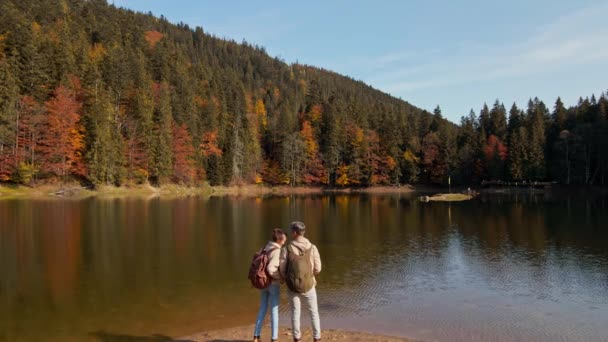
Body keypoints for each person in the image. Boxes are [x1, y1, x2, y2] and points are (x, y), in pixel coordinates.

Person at [280, 221, 322, 342]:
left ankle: (297, 338)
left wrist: (286, 279)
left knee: (295, 313)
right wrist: (310, 275)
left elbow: (282, 269)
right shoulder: (312, 247)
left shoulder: (287, 249)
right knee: (314, 312)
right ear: (303, 232)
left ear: (294, 233)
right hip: (309, 285)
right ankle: (317, 338)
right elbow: (318, 268)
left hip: (292, 286)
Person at [253, 229, 287, 342]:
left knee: (262, 308)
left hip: (262, 282)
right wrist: (280, 278)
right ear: (280, 239)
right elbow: (271, 268)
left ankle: (256, 336)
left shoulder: (265, 247)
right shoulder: (277, 250)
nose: (285, 239)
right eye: (284, 238)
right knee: (274, 311)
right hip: (273, 284)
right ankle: (274, 338)